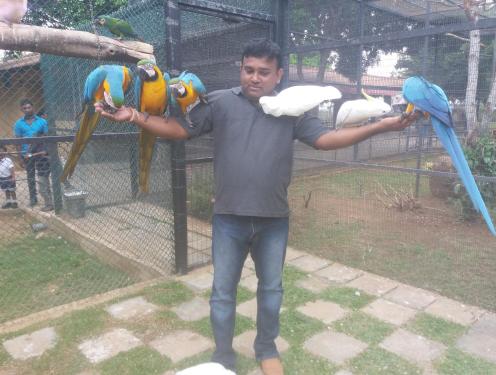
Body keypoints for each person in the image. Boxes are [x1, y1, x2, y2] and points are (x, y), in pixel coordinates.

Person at [95, 39, 418, 374]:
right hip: (228, 220)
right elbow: (179, 128)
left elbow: (325, 140)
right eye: (249, 70)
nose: (255, 77)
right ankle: (223, 356)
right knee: (222, 292)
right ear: (241, 69)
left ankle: (266, 348)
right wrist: (133, 114)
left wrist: (380, 125)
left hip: (273, 220)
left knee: (272, 289)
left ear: (278, 75)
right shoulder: (219, 102)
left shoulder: (290, 108)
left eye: (264, 72)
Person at [13, 99, 48, 207]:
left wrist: (45, 152)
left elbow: (47, 137)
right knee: (30, 176)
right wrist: (19, 157)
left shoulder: (42, 121)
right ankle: (33, 199)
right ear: (21, 109)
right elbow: (18, 141)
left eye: (29, 107)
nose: (27, 110)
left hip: (40, 153)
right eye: (25, 108)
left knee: (43, 176)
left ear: (33, 107)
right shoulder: (18, 124)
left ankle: (47, 198)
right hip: (26, 154)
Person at [27, 131, 53, 211]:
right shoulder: (35, 144)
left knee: (42, 189)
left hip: (45, 168)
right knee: (46, 187)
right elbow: (29, 153)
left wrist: (32, 155)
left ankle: (49, 204)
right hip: (41, 168)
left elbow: (44, 153)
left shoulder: (44, 143)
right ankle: (50, 204)